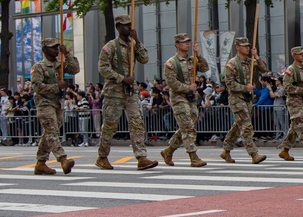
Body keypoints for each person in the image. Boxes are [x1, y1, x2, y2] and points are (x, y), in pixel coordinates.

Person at [96, 14, 158, 171]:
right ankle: (102, 156)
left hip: (130, 92)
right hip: (114, 92)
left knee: (137, 122)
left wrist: (137, 41)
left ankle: (141, 157)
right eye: (124, 25)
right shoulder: (110, 46)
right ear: (118, 27)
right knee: (110, 125)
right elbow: (103, 68)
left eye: (129, 24)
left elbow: (144, 59)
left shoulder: (133, 45)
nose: (128, 27)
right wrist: (122, 78)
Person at [30, 37, 79, 175]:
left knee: (51, 132)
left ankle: (40, 163)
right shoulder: (39, 67)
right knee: (52, 130)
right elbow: (36, 86)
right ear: (45, 49)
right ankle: (63, 159)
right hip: (44, 102)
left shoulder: (60, 65)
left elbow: (75, 69)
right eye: (52, 47)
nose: (56, 50)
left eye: (57, 47)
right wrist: (55, 87)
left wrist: (67, 53)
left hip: (57, 103)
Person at [160, 33, 209, 167]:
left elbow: (205, 68)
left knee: (188, 125)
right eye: (183, 42)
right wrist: (188, 87)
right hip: (178, 98)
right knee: (187, 126)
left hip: (190, 98)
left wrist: (198, 55)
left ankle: (169, 150)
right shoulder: (171, 63)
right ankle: (193, 156)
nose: (187, 44)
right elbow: (172, 83)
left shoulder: (192, 60)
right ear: (177, 44)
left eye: (188, 42)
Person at [220, 37, 268, 164]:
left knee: (238, 126)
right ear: (237, 47)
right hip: (237, 99)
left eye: (248, 46)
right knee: (246, 126)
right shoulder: (232, 64)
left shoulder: (250, 62)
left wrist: (256, 56)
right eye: (244, 46)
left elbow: (264, 69)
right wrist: (245, 87)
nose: (247, 48)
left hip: (248, 99)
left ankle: (226, 150)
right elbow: (229, 84)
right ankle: (254, 154)